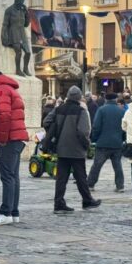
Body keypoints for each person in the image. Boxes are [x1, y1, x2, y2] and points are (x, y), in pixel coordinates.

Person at [48, 86, 101, 214]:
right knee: (81, 176)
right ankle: (87, 200)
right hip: (76, 149)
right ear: (78, 97)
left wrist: (55, 132)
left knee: (61, 178)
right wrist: (86, 145)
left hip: (61, 147)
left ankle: (58, 203)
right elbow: (83, 131)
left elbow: (47, 121)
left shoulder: (58, 109)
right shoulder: (81, 111)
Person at [0, 70, 28, 226]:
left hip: (10, 138)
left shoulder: (1, 89)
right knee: (13, 176)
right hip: (17, 137)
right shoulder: (9, 88)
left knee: (7, 177)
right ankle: (13, 212)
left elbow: (4, 115)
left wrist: (2, 139)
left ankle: (5, 212)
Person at [87, 93, 125, 192]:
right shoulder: (121, 111)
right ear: (116, 99)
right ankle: (120, 185)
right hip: (117, 142)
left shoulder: (101, 110)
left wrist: (95, 138)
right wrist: (122, 139)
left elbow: (96, 126)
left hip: (103, 142)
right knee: (117, 165)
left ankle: (90, 184)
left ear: (106, 99)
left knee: (97, 165)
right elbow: (124, 128)